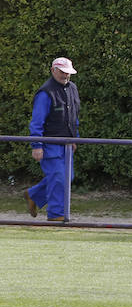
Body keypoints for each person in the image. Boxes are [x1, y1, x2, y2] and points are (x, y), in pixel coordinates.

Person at [27, 57, 80, 223]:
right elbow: (37, 121)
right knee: (58, 177)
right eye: (62, 72)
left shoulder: (72, 88)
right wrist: (37, 145)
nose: (65, 75)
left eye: (68, 73)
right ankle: (56, 215)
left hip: (66, 143)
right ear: (53, 71)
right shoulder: (45, 93)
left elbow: (74, 116)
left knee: (66, 177)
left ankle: (33, 195)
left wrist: (74, 138)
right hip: (50, 143)